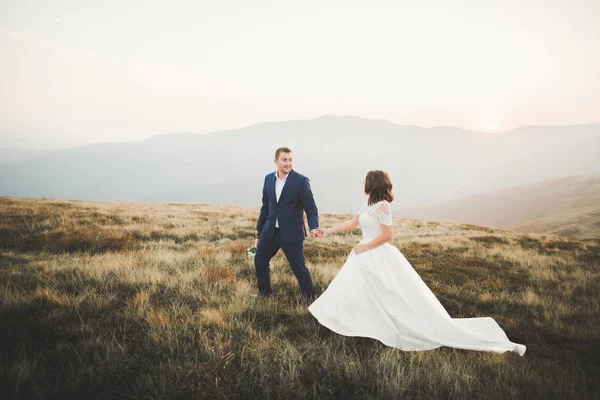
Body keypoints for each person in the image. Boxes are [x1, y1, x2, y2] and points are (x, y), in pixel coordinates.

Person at [308, 170, 526, 355]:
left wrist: (364, 247)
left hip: (374, 252)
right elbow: (353, 222)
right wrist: (327, 231)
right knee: (355, 289)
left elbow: (387, 236)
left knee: (386, 293)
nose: (362, 184)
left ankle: (388, 326)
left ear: (372, 184)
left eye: (365, 180)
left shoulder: (383, 206)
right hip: (362, 253)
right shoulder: (367, 202)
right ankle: (353, 322)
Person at [254, 147, 320, 303]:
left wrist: (314, 227)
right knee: (259, 261)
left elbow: (311, 207)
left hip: (292, 233)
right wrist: (259, 227)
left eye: (290, 160)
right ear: (276, 161)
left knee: (299, 268)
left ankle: (310, 300)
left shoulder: (301, 181)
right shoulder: (268, 179)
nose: (288, 163)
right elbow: (266, 205)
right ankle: (265, 294)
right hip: (270, 231)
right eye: (284, 160)